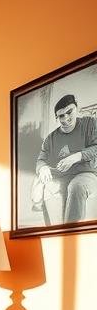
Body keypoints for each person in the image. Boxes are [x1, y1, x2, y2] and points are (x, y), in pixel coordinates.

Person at [34, 94, 97, 224]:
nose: (66, 118)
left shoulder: (89, 123)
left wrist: (77, 156)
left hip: (87, 173)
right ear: (57, 117)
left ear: (76, 108)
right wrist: (43, 168)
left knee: (76, 187)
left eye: (69, 112)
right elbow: (41, 159)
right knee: (47, 187)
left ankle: (71, 233)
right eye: (61, 116)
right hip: (61, 175)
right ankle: (51, 231)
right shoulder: (51, 138)